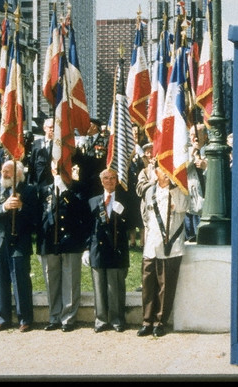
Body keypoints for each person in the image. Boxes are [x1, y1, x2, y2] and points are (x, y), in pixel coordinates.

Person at [0, 160, 40, 333]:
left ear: (18, 174)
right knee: (0, 282)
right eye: (2, 171)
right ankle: (3, 318)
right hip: (0, 243)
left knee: (21, 282)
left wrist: (22, 207)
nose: (4, 175)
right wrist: (4, 207)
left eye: (8, 172)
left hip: (19, 242)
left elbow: (36, 217)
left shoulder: (29, 190)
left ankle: (25, 318)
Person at [137, 163, 189, 338]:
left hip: (170, 246)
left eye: (169, 171)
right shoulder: (150, 191)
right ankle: (146, 321)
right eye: (162, 170)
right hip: (151, 245)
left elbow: (183, 207)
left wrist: (174, 188)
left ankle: (160, 322)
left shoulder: (179, 191)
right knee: (148, 285)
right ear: (155, 172)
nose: (166, 174)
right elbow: (145, 214)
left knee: (165, 286)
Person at [38, 162, 91, 332]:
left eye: (63, 169)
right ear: (52, 170)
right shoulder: (44, 190)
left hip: (71, 240)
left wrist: (66, 191)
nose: (60, 172)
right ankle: (54, 317)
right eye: (56, 169)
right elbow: (39, 217)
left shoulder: (78, 189)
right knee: (51, 282)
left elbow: (81, 211)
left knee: (70, 281)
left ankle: (68, 318)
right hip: (49, 242)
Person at [83, 168, 131, 333]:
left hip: (117, 248)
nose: (109, 181)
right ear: (101, 181)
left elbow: (132, 224)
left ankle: (117, 319)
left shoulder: (125, 200)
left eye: (112, 178)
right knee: (99, 286)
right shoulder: (93, 201)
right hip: (98, 250)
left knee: (115, 286)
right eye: (106, 178)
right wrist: (86, 249)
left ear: (117, 180)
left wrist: (122, 213)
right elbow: (88, 229)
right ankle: (101, 320)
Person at [185, 123, 208, 241]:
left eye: (196, 135)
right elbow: (181, 170)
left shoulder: (210, 152)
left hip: (205, 202)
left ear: (204, 136)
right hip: (188, 203)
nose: (193, 138)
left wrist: (206, 167)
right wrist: (193, 152)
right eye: (191, 135)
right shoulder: (186, 152)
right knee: (189, 238)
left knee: (203, 238)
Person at [28, 118, 55, 188]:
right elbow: (32, 162)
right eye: (50, 127)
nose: (52, 129)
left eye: (54, 127)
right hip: (38, 178)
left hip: (51, 179)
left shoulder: (57, 144)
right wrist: (29, 180)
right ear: (44, 128)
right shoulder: (36, 143)